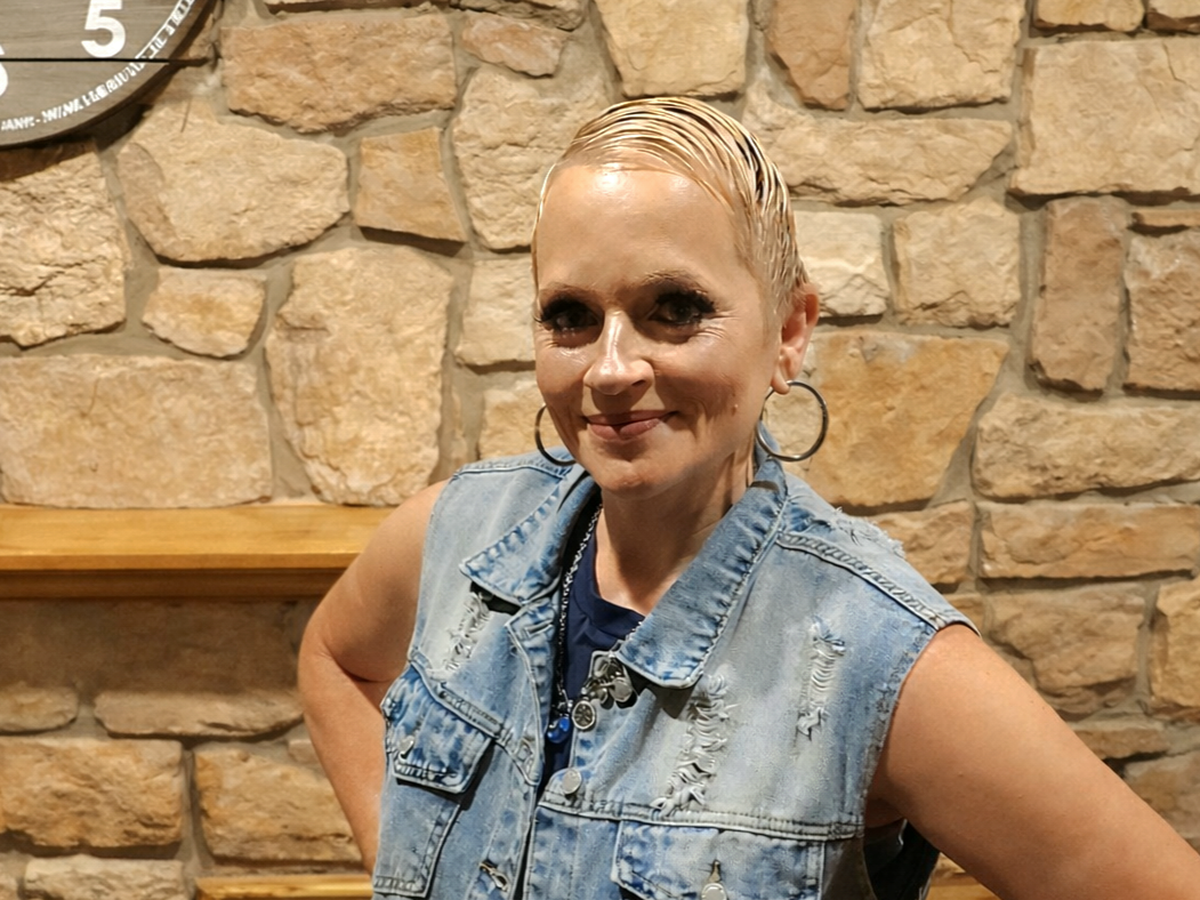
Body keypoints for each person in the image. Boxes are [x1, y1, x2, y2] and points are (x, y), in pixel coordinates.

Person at [299, 97, 1200, 900]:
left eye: (674, 308)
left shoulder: (874, 656)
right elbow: (335, 659)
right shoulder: (458, 531)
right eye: (570, 316)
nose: (610, 369)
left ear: (790, 331)